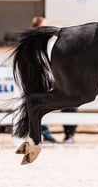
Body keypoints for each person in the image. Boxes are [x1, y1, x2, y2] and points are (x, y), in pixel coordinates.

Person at [31, 16, 77, 144]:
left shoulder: (52, 42)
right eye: (44, 25)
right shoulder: (35, 44)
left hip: (58, 77)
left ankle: (69, 134)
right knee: (39, 104)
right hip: (45, 78)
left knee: (70, 103)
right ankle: (44, 134)